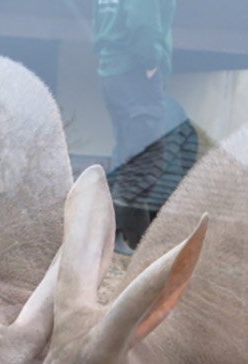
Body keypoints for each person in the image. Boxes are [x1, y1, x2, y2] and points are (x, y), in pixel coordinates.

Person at [92, 0, 176, 254]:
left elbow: (99, 19)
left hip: (114, 70)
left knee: (128, 154)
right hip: (136, 71)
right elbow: (142, 19)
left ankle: (132, 236)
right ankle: (114, 235)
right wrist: (151, 60)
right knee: (146, 158)